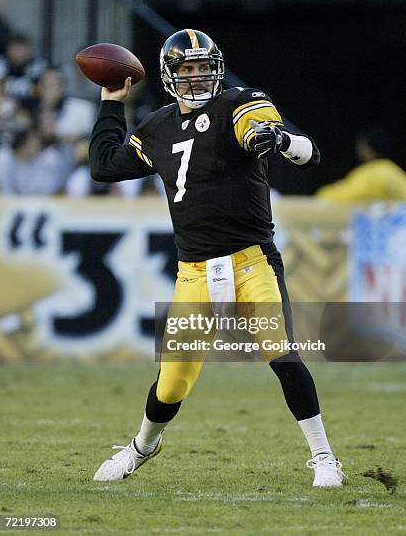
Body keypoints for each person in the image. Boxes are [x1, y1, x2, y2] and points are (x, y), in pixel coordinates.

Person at [89, 29, 345, 487]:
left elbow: (301, 148)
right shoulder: (157, 127)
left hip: (252, 263)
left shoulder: (241, 104)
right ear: (170, 75)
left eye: (203, 67)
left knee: (281, 353)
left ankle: (325, 456)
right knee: (172, 384)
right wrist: (111, 102)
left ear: (217, 68)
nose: (196, 76)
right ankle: (141, 447)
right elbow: (104, 165)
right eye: (186, 69)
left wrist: (277, 139)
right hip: (195, 273)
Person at [317, 128, 406, 203]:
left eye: (361, 146)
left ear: (368, 149)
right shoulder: (395, 172)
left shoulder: (374, 173)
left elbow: (340, 197)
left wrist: (323, 193)